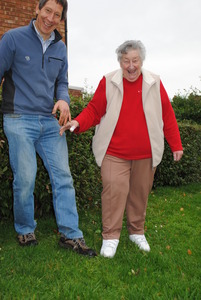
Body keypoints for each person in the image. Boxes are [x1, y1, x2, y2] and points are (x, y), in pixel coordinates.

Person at [60, 40, 183, 258]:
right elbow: (94, 110)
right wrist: (78, 122)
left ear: (141, 61)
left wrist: (176, 144)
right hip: (114, 152)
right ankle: (110, 237)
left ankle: (136, 231)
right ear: (120, 62)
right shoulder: (109, 81)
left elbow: (167, 115)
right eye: (126, 61)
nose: (131, 65)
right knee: (113, 192)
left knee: (139, 194)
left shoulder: (154, 82)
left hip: (145, 154)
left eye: (135, 60)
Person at [0, 0, 96, 257]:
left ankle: (71, 235)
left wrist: (63, 98)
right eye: (47, 11)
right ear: (37, 10)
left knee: (63, 176)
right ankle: (24, 228)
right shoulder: (13, 39)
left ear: (61, 18)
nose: (51, 18)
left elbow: (61, 82)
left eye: (57, 14)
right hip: (18, 118)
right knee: (26, 176)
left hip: (49, 121)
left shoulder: (60, 48)